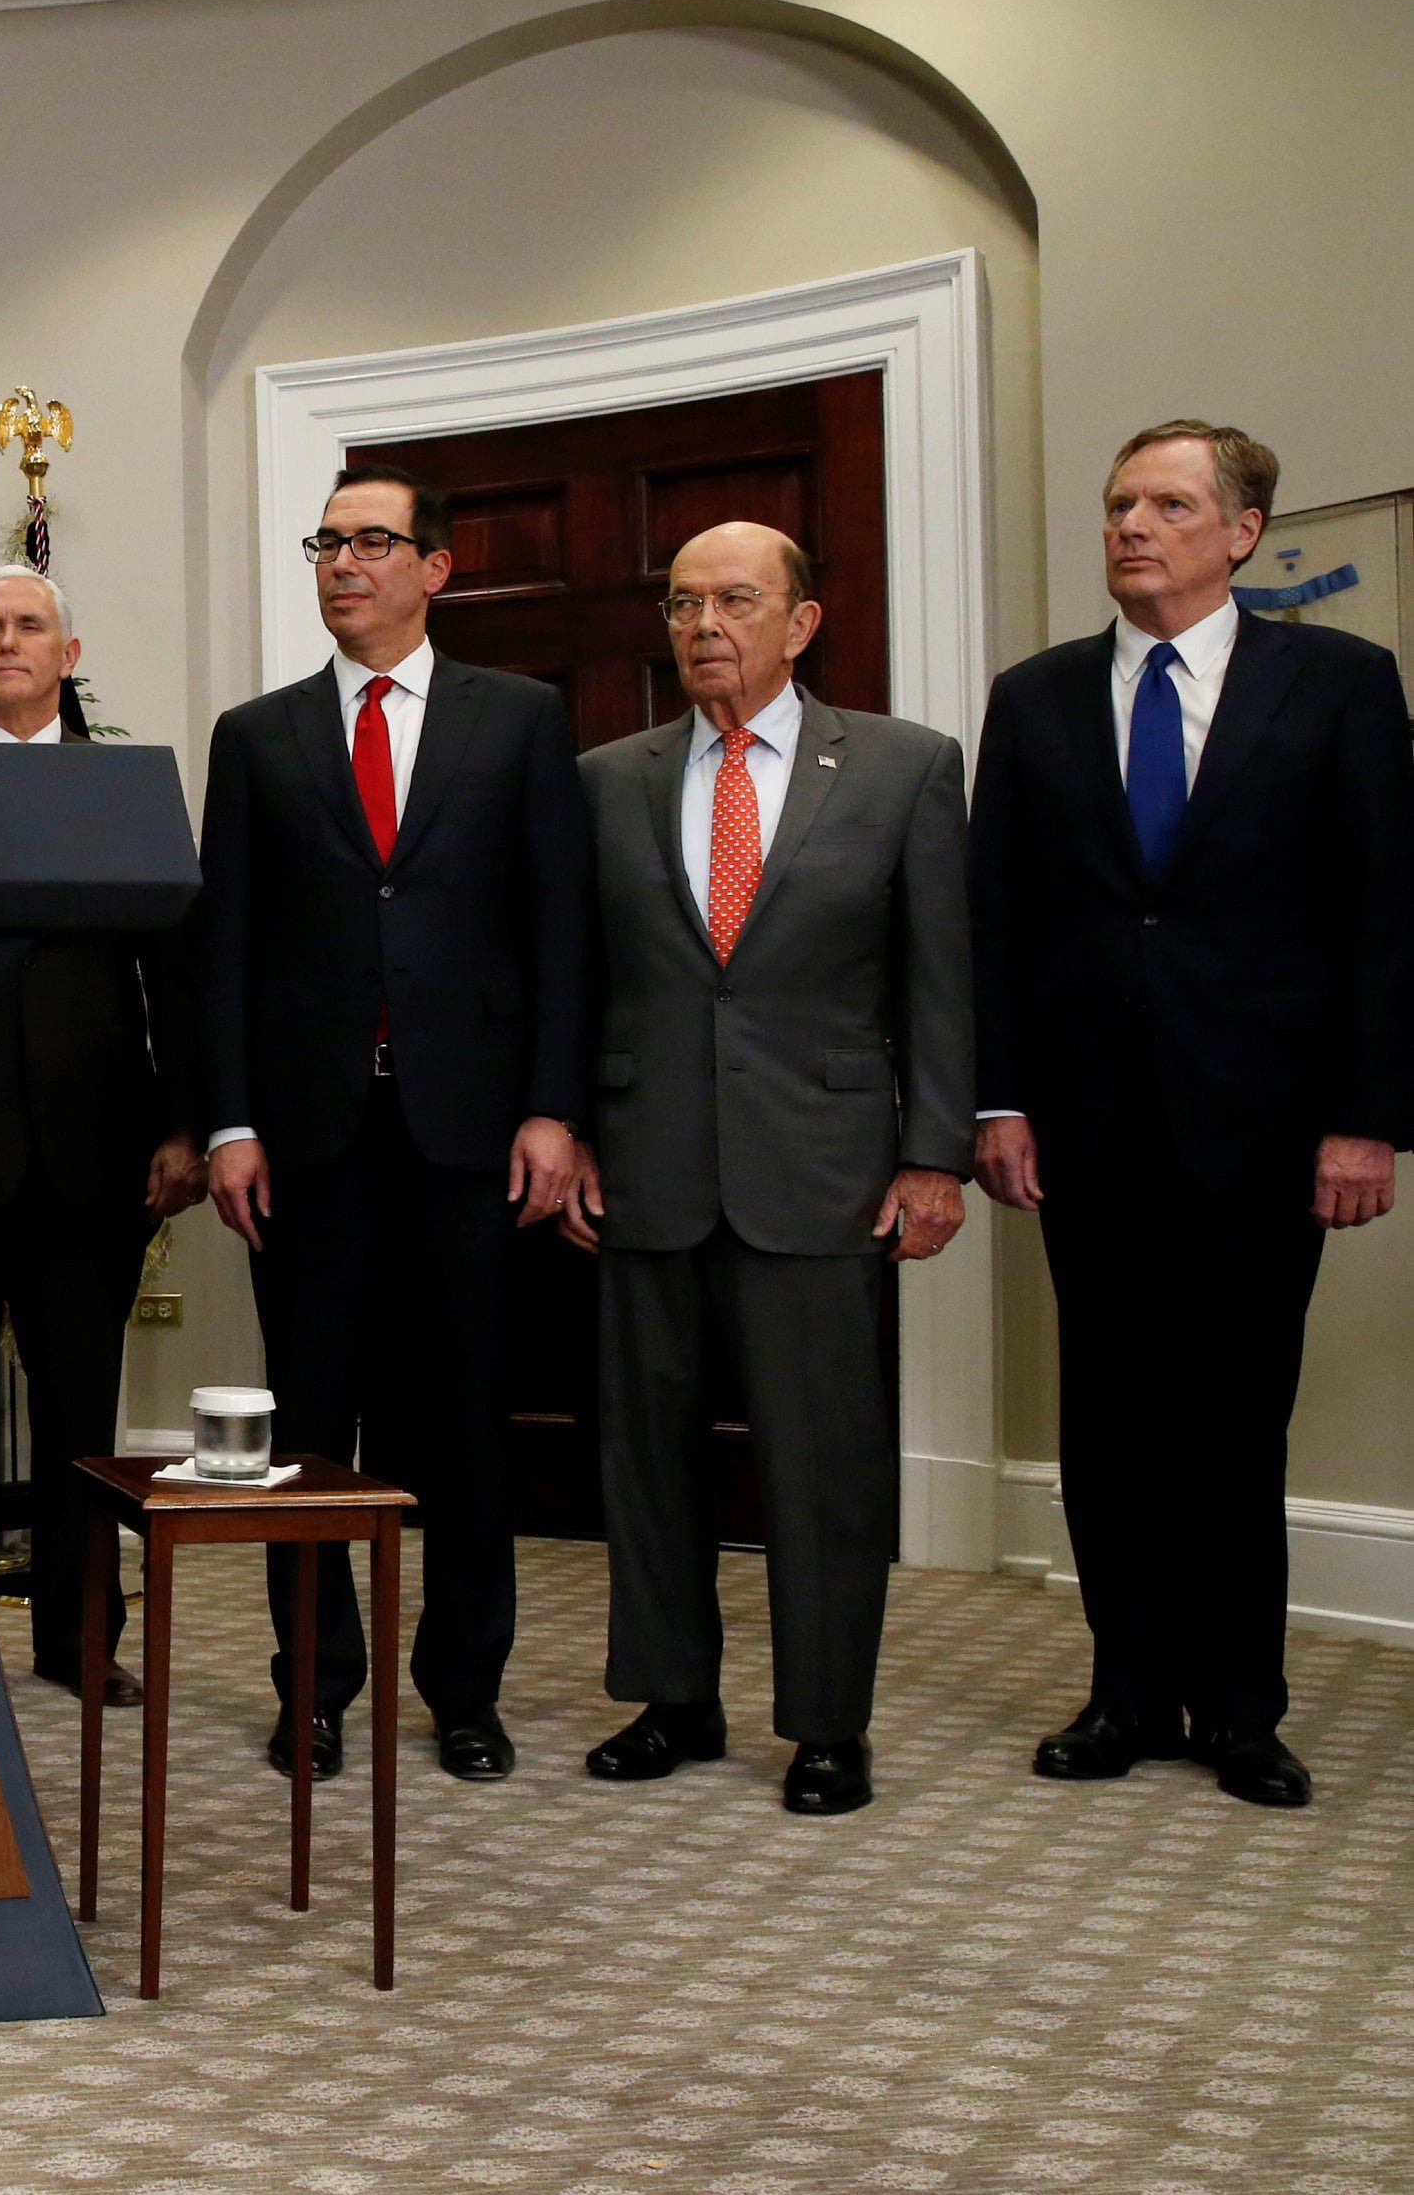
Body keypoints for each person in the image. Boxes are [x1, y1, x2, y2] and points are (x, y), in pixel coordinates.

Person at [970, 421, 1414, 1809]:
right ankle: (1125, 1691)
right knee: (1109, 1417)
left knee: (1233, 1417)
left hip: (1266, 1126)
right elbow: (999, 923)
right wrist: (997, 1096)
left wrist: (1367, 1119)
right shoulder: (1034, 699)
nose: (1131, 528)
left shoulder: (1339, 683)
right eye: (1117, 505)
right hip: (1086, 1125)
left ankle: (1240, 1706)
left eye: (1167, 503)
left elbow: (1385, 920)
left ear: (1240, 530)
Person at [557, 521, 972, 1817]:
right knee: (647, 1456)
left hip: (826, 1167)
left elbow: (939, 982)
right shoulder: (605, 778)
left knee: (822, 1463)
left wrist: (934, 1156)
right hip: (647, 1162)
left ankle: (827, 1723)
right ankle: (672, 1697)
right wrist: (563, 1127)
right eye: (682, 603)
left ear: (802, 622)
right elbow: (576, 981)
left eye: (736, 600)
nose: (704, 626)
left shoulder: (903, 768)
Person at [196, 466, 593, 1783]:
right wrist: (230, 1122)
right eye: (328, 541)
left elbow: (559, 930)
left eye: (373, 541)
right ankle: (314, 1685)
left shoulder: (520, 720)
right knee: (308, 1436)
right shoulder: (256, 737)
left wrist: (553, 1106)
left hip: (472, 1137)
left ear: (437, 566)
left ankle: (464, 1689)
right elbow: (226, 950)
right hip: (306, 1143)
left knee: (467, 1427)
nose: (344, 562)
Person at [0, 563, 200, 1707]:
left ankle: (77, 1641)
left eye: (28, 627)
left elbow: (176, 972)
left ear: (67, 653)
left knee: (78, 1422)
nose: (7, 643)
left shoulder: (123, 789)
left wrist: (186, 1123)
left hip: (92, 1157)